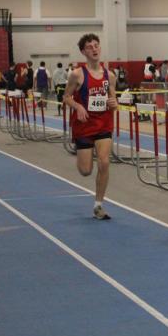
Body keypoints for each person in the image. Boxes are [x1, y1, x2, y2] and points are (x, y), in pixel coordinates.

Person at [63, 34, 118, 220]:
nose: (94, 49)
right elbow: (66, 97)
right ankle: (84, 153)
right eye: (89, 47)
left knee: (104, 162)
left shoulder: (110, 75)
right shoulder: (77, 74)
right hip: (84, 126)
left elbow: (113, 101)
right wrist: (78, 106)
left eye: (96, 45)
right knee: (85, 171)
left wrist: (114, 103)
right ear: (83, 52)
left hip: (103, 124)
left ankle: (98, 205)